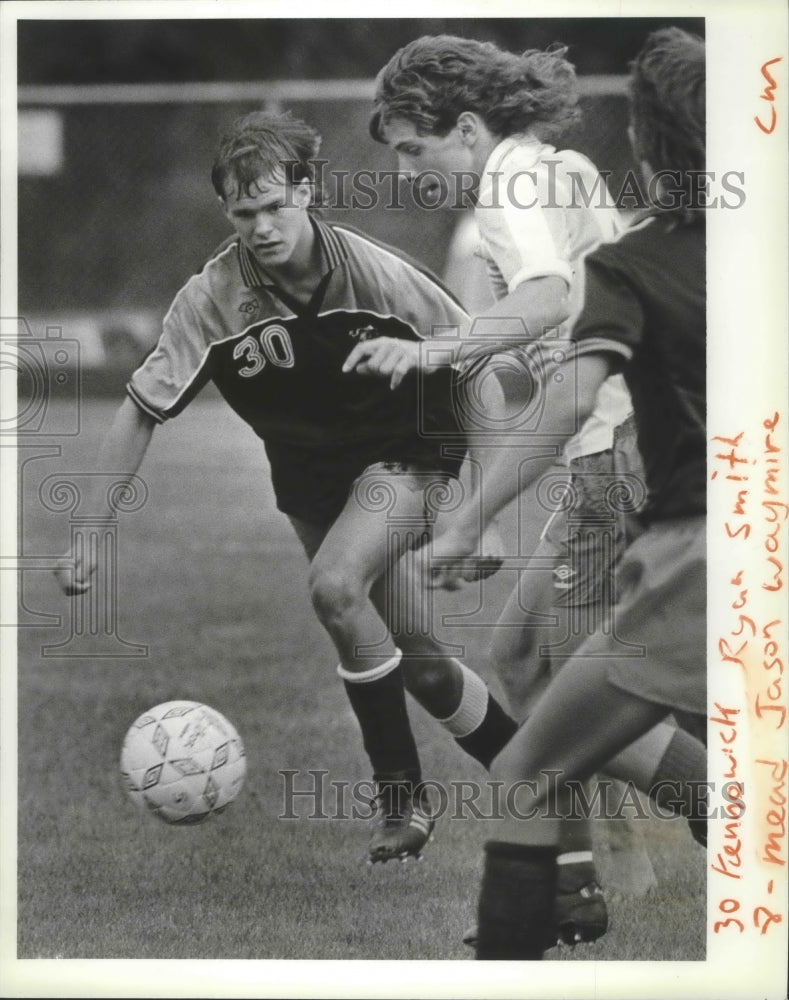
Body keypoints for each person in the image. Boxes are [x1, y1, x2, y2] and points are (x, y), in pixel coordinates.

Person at [54, 110, 519, 864]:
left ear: (308, 190)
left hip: (407, 449)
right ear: (225, 213)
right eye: (245, 213)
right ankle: (535, 776)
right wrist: (90, 532)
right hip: (307, 475)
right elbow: (139, 410)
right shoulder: (210, 298)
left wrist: (480, 510)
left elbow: (474, 364)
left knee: (335, 587)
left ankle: (400, 797)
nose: (263, 226)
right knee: (422, 662)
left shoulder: (373, 272)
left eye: (276, 205)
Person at [347, 33, 707, 944]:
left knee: (580, 698)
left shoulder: (510, 186)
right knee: (517, 656)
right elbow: (558, 336)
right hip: (611, 445)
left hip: (614, 455)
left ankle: (720, 801)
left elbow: (549, 299)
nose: (406, 169)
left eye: (412, 148)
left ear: (465, 127)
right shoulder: (556, 167)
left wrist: (438, 346)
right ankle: (574, 881)